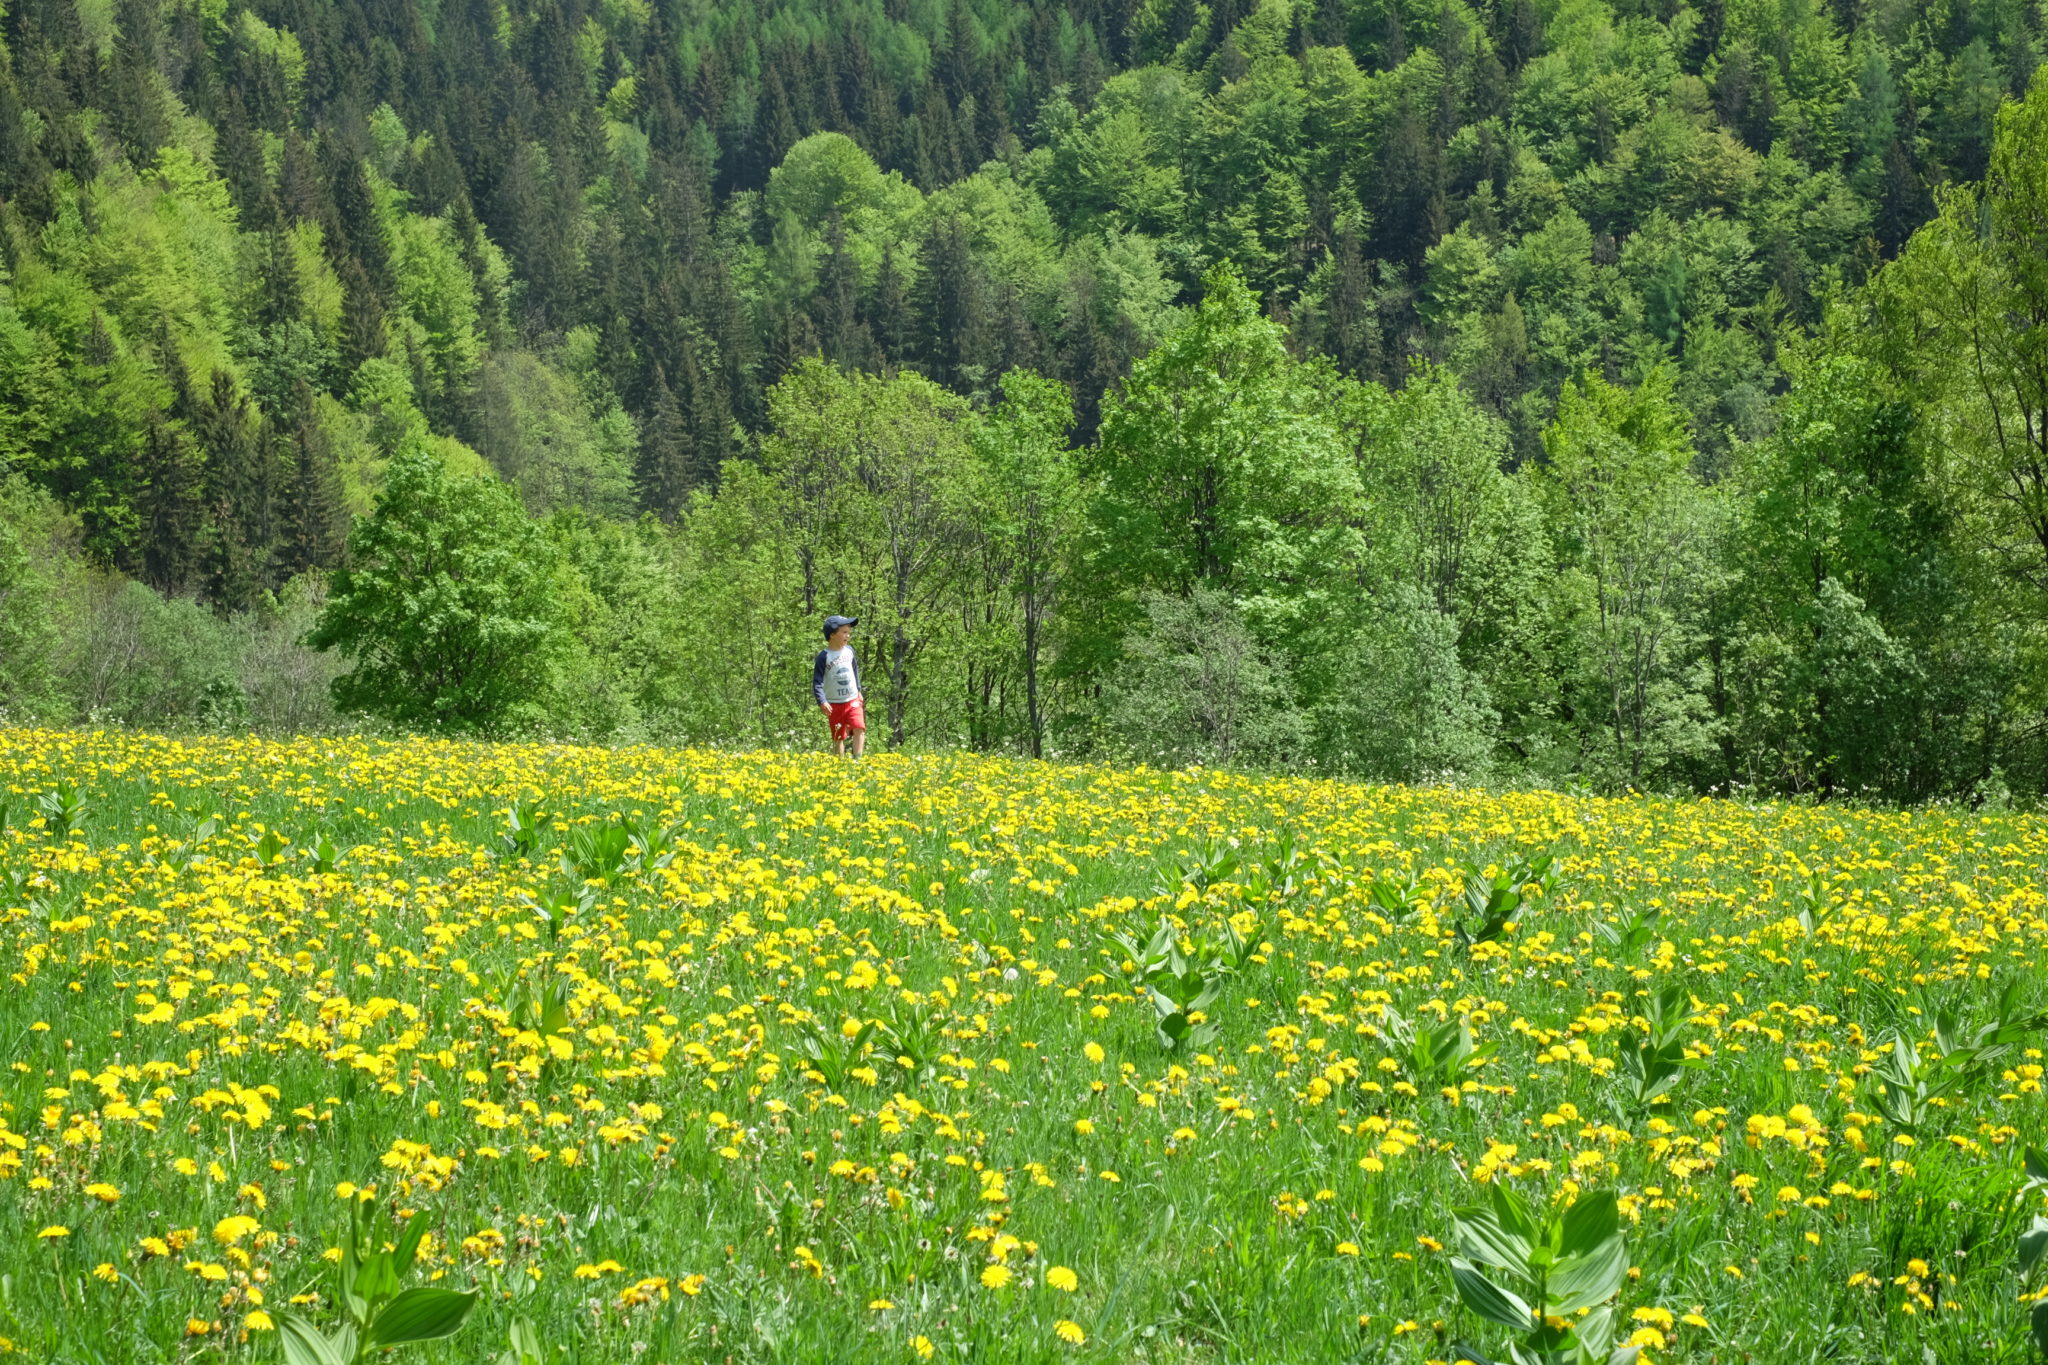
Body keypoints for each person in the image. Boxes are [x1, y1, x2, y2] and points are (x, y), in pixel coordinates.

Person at [813, 615, 865, 757]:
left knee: (859, 727)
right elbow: (817, 682)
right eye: (844, 632)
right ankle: (840, 766)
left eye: (848, 632)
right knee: (839, 737)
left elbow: (855, 671)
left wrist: (859, 691)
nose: (848, 635)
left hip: (852, 699)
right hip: (834, 703)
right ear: (832, 635)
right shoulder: (824, 657)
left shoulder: (849, 651)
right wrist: (822, 701)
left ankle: (857, 761)